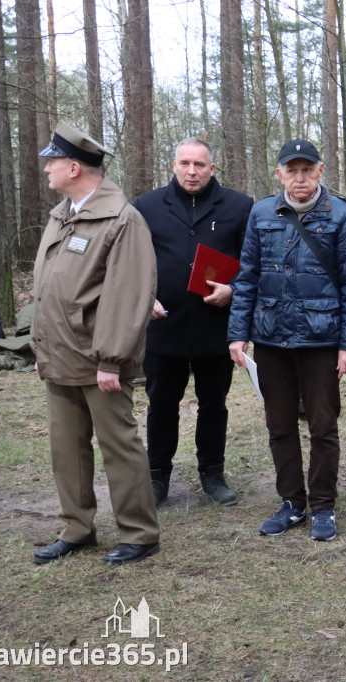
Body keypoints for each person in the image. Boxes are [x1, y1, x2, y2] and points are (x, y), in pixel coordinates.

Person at [30, 122, 161, 566]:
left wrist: (111, 360)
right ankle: (77, 528)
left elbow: (130, 295)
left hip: (99, 358)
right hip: (60, 356)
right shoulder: (61, 214)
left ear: (73, 166)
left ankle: (140, 533)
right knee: (66, 448)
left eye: (52, 162)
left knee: (118, 446)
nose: (46, 168)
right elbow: (50, 289)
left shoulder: (123, 219)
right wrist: (41, 347)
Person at [228, 139, 346, 541]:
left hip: (322, 341)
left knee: (323, 425)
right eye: (293, 171)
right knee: (279, 425)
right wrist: (238, 335)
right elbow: (248, 277)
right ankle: (291, 502)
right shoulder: (261, 213)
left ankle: (323, 505)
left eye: (308, 170)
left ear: (321, 171)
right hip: (271, 339)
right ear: (280, 175)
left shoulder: (341, 214)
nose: (300, 178)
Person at [135, 138, 253, 507]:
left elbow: (252, 264)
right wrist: (144, 296)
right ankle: (157, 477)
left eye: (199, 165)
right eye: (185, 163)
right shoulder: (147, 206)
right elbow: (132, 262)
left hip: (214, 326)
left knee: (213, 403)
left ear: (212, 169)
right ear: (174, 165)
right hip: (163, 324)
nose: (191, 171)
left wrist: (232, 290)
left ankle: (213, 474)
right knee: (161, 404)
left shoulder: (239, 206)